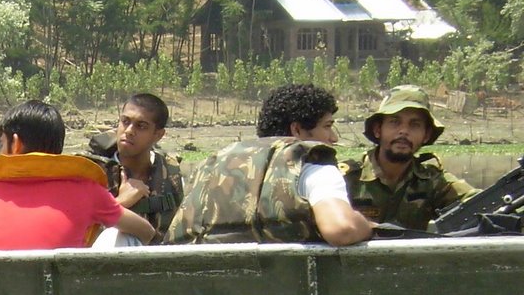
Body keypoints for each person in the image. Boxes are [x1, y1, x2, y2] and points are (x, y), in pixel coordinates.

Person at [168, 83, 373, 247]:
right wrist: (365, 225)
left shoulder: (208, 166)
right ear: (297, 130)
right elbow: (341, 229)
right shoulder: (313, 170)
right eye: (327, 127)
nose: (333, 137)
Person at [0, 100, 156, 251]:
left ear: (16, 144)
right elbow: (146, 231)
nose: (0, 151)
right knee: (120, 234)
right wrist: (115, 204)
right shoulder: (87, 191)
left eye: (2, 144)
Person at [341, 85, 474, 230]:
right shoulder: (345, 178)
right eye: (395, 122)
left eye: (415, 125)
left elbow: (479, 203)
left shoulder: (432, 181)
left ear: (426, 135)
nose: (404, 131)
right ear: (378, 130)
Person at [87, 92, 184, 243]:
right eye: (125, 121)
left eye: (141, 126)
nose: (129, 131)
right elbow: (76, 229)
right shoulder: (91, 173)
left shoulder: (172, 177)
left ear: (158, 135)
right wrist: (120, 203)